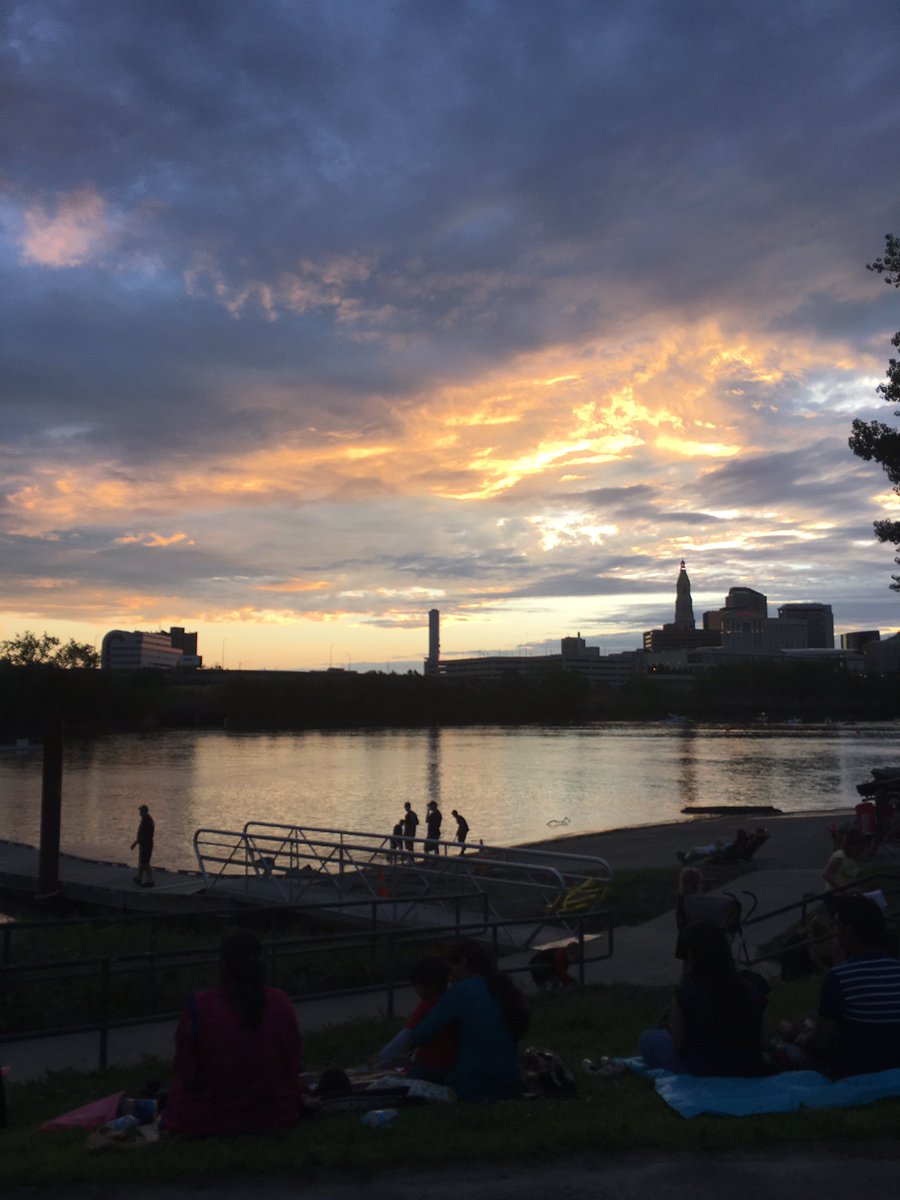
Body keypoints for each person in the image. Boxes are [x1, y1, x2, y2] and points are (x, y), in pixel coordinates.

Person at [163, 929, 305, 1136]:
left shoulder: (200, 1006)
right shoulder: (280, 1001)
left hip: (208, 1119)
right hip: (275, 1114)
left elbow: (185, 1070)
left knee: (172, 1094)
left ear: (223, 966)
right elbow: (292, 1058)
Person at [781, 894, 900, 1079]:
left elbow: (820, 1043)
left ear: (849, 931)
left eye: (837, 925)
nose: (834, 931)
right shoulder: (894, 969)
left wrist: (796, 1035)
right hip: (894, 1064)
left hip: (854, 1069)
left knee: (786, 1046)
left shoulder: (839, 977)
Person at [638, 921, 768, 1076]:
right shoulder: (750, 988)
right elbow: (765, 1037)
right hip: (748, 1065)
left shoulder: (687, 992)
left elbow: (678, 1043)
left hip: (701, 1068)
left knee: (648, 1038)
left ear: (692, 956)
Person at [409, 940, 530, 1101]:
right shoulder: (500, 989)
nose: (450, 975)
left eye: (452, 966)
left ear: (463, 962)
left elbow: (420, 1036)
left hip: (472, 1086)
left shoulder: (461, 990)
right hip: (512, 1083)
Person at [369, 955, 456, 1083]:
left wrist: (381, 1057)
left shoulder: (426, 1007)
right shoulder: (453, 1000)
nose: (415, 991)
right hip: (451, 1065)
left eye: (417, 986)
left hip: (428, 1066)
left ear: (430, 986)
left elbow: (405, 1035)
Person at [822, 829, 865, 915]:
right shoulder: (839, 857)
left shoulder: (852, 859)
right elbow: (826, 875)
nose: (859, 852)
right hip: (834, 895)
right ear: (850, 846)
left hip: (845, 895)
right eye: (857, 849)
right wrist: (844, 889)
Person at [131, 804, 155, 887]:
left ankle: (150, 880)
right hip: (145, 843)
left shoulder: (146, 821)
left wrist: (135, 843)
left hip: (146, 844)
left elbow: (144, 835)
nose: (139, 813)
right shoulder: (146, 819)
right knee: (142, 862)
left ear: (145, 811)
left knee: (145, 863)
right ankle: (139, 877)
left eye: (141, 811)